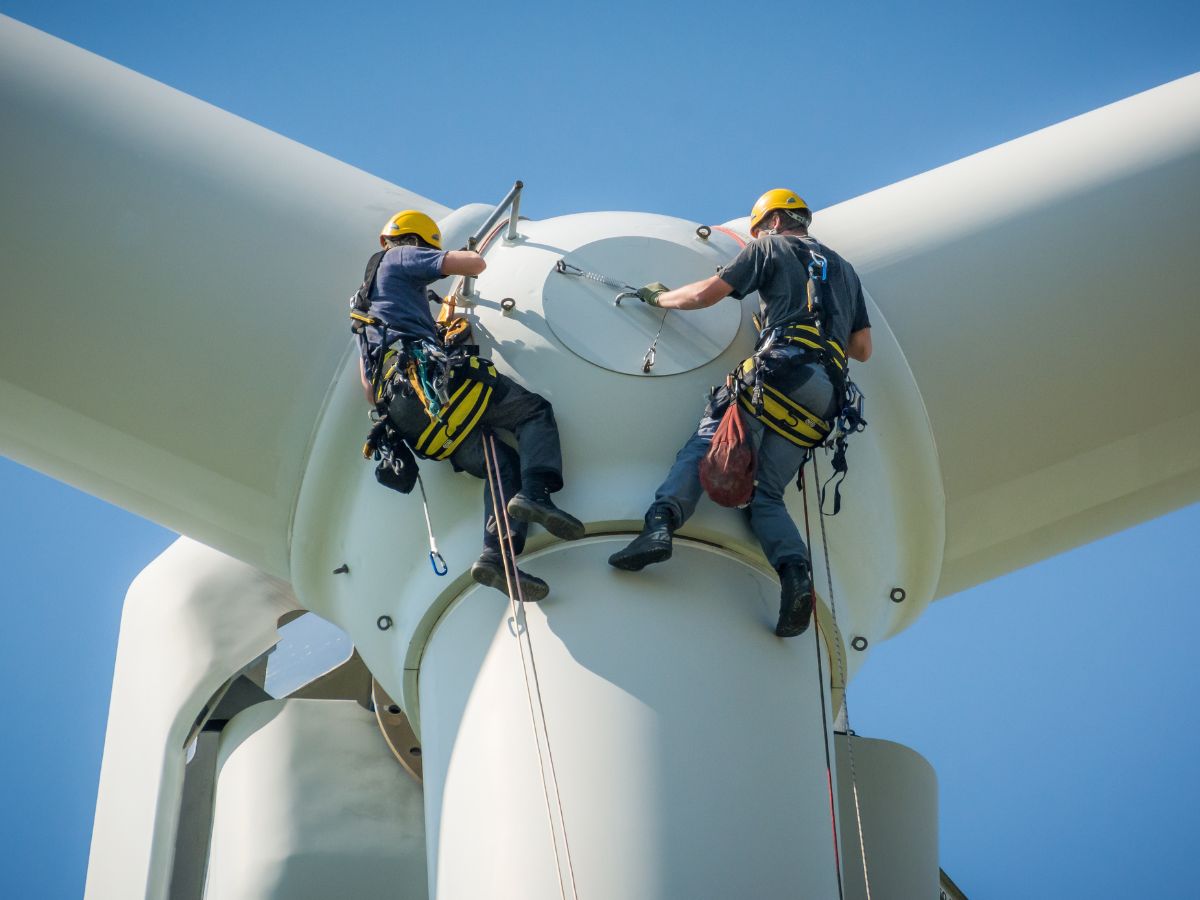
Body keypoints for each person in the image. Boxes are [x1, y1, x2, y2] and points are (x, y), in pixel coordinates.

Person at [608, 189, 872, 637]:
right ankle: (795, 576)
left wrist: (659, 300)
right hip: (824, 398)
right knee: (765, 495)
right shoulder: (845, 271)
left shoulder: (769, 247)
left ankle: (659, 526)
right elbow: (862, 349)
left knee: (707, 444)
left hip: (779, 371)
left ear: (770, 222)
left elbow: (706, 296)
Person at [356, 210, 585, 600]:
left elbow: (368, 388)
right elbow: (472, 264)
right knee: (532, 412)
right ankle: (536, 493)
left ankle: (496, 557)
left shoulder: (364, 308)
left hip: (408, 414)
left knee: (500, 462)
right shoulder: (399, 257)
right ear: (416, 241)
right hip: (432, 383)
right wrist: (458, 256)